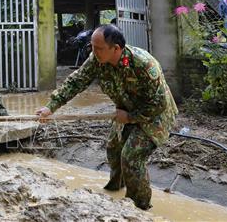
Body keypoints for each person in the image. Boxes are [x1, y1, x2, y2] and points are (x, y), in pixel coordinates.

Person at [36, 25, 178, 210]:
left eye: (99, 48)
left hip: (155, 115)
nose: (93, 52)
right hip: (125, 110)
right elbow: (76, 81)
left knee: (131, 156)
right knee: (113, 149)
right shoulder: (96, 59)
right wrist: (50, 107)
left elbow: (159, 104)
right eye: (92, 47)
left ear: (116, 48)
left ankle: (139, 207)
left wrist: (130, 117)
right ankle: (115, 189)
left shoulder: (143, 64)